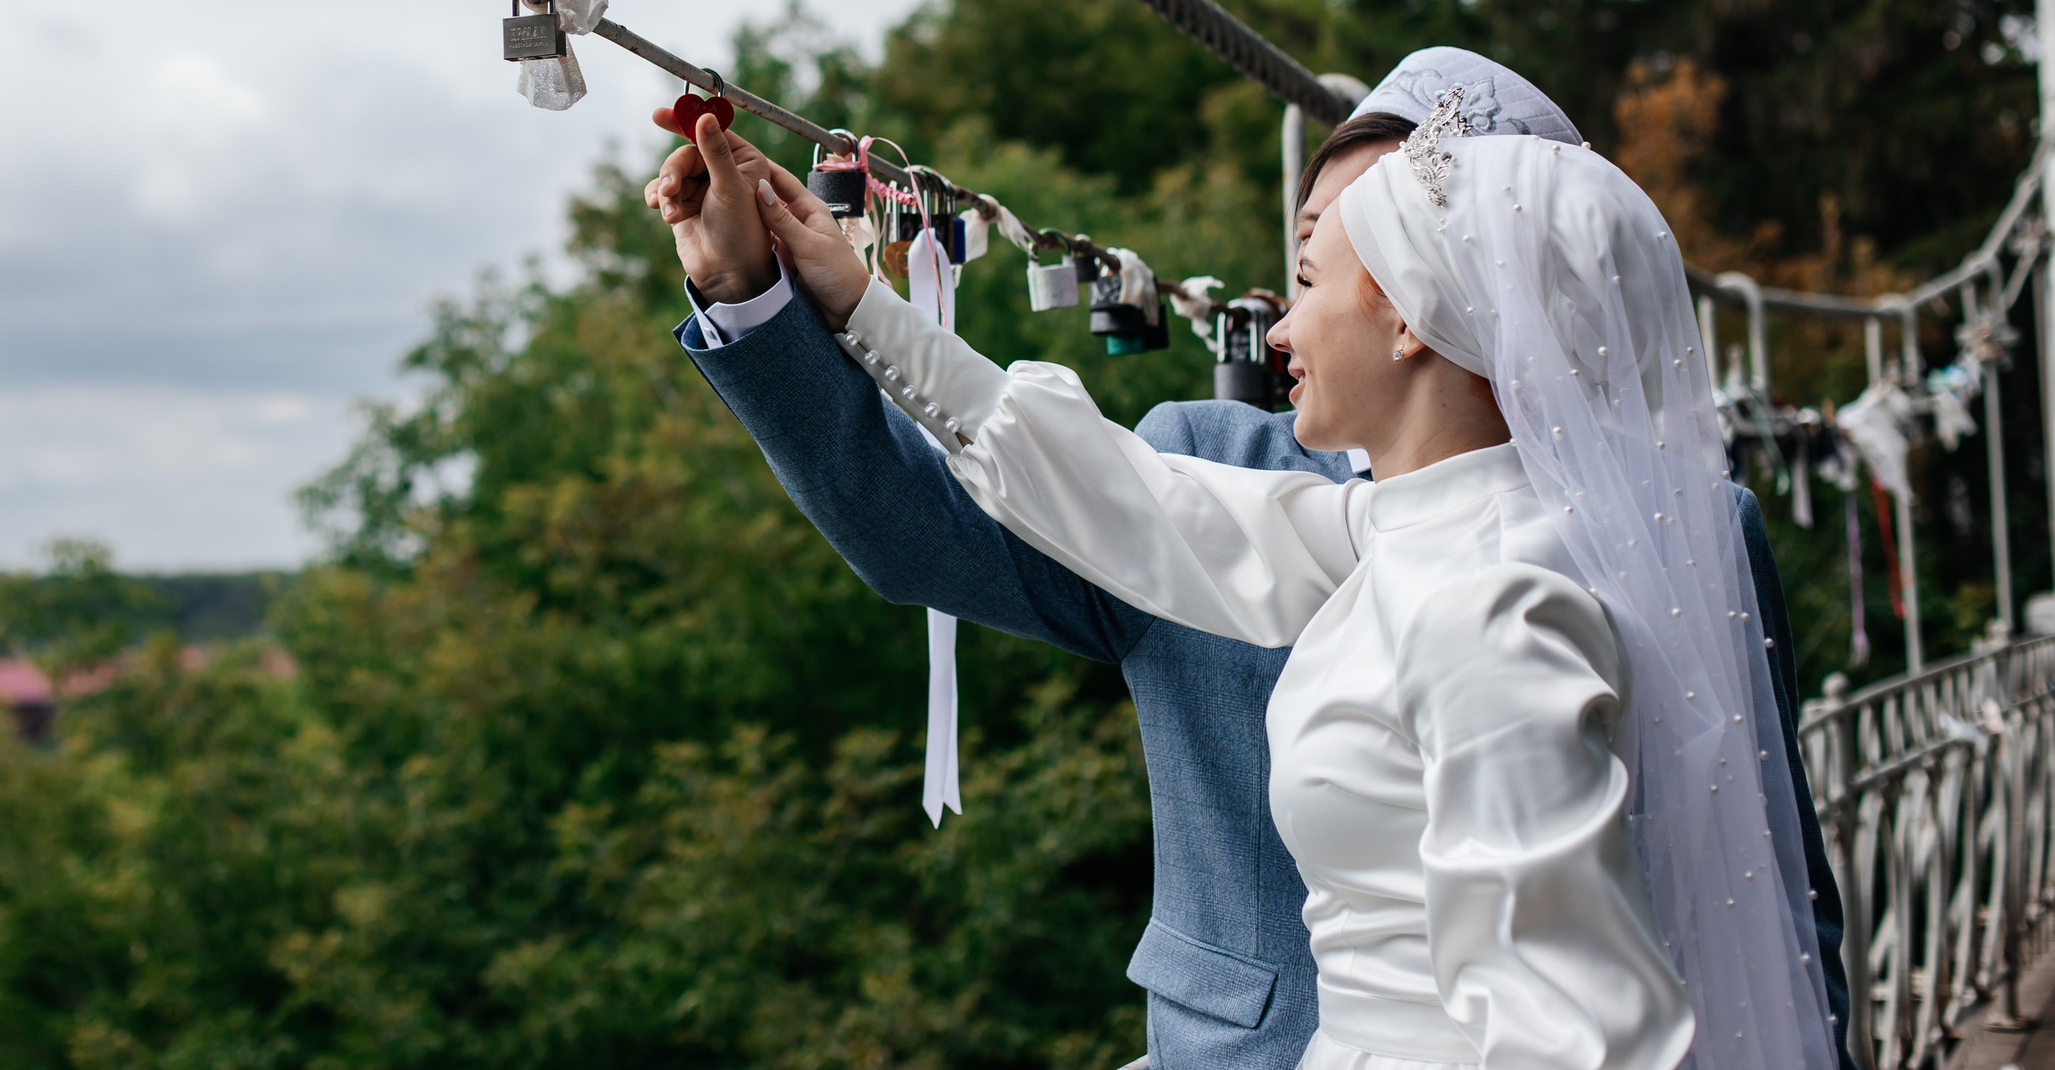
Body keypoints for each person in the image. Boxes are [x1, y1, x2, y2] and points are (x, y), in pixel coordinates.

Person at [651, 52, 1847, 1068]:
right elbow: (1045, 506)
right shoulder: (1309, 494)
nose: (1278, 320)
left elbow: (1756, 887)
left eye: (1323, 266)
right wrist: (805, 294)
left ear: (1431, 298)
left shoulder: (1576, 563)